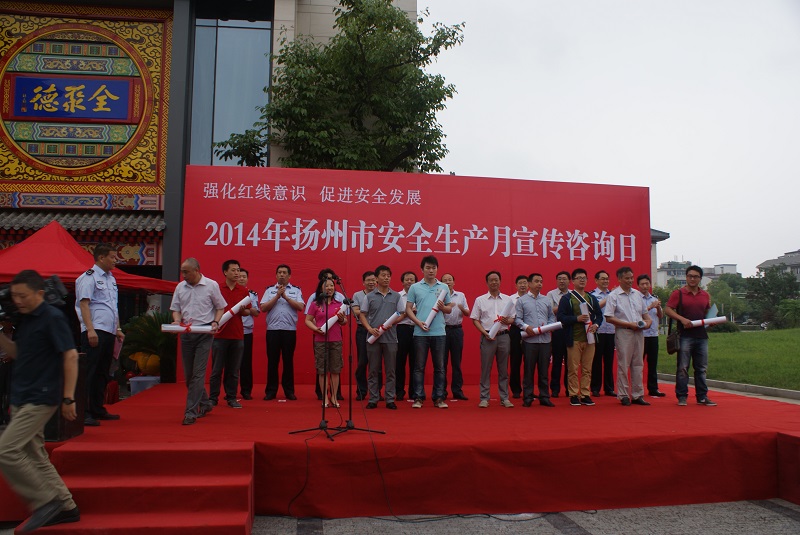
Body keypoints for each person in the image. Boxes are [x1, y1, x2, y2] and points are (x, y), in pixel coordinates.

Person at [0, 270, 80, 531]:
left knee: (6, 450)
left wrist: (69, 398)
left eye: (23, 296)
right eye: (14, 296)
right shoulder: (24, 319)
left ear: (40, 293)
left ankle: (45, 501)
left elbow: (70, 356)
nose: (18, 301)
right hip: (22, 395)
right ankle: (66, 506)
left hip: (41, 396)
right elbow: (18, 353)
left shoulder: (52, 317)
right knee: (35, 454)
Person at [170, 258, 226, 425]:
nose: (183, 275)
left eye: (186, 272)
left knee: (198, 374)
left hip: (204, 333)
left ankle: (190, 413)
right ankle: (206, 403)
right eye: (182, 272)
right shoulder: (180, 287)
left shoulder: (211, 285)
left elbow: (220, 307)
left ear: (196, 271)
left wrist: (216, 321)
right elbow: (176, 309)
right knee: (189, 376)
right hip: (186, 334)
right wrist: (176, 321)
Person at [74, 243, 124, 427]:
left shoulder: (111, 278)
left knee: (103, 371)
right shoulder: (88, 277)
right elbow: (84, 304)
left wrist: (117, 328)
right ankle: (84, 411)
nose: (115, 260)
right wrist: (90, 329)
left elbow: (112, 306)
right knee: (90, 371)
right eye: (112, 257)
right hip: (95, 329)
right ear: (101, 258)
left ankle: (97, 408)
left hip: (109, 330)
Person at [665, 265, 717, 407]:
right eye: (690, 276)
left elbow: (706, 313)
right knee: (683, 367)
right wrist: (681, 319)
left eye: (695, 277)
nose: (692, 279)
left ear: (700, 278)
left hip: (701, 336)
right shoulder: (678, 293)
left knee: (701, 368)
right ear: (686, 277)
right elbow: (668, 309)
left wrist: (711, 321)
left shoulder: (705, 295)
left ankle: (702, 396)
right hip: (685, 335)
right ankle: (682, 396)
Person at [405, 255, 452, 409]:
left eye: (433, 268)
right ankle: (418, 397)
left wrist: (443, 307)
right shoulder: (415, 287)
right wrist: (418, 322)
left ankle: (438, 397)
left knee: (440, 367)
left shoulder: (443, 287)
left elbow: (449, 309)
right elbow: (408, 309)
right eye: (428, 268)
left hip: (439, 332)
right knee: (419, 367)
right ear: (422, 269)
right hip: (420, 332)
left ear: (437, 269)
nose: (431, 270)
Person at [604, 266, 652, 406]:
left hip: (639, 332)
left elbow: (645, 315)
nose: (630, 280)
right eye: (627, 278)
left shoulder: (637, 294)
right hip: (624, 331)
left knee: (638, 364)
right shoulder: (613, 296)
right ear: (619, 279)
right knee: (623, 364)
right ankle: (623, 395)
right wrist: (629, 324)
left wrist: (648, 323)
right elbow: (609, 317)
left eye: (631, 277)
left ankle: (637, 395)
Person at [359, 265, 405, 409]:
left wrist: (393, 322)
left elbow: (402, 313)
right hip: (374, 337)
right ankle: (373, 398)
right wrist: (369, 328)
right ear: (377, 278)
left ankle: (390, 399)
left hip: (391, 338)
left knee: (391, 370)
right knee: (373, 369)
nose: (386, 278)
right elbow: (362, 314)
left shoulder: (396, 296)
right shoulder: (369, 296)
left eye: (388, 276)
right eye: (383, 275)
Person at [209, 260, 252, 409]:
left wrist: (243, 310)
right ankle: (213, 398)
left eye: (238, 270)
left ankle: (231, 397)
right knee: (216, 369)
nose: (237, 273)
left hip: (237, 335)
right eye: (233, 270)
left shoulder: (243, 291)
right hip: (219, 335)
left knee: (233, 370)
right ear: (225, 272)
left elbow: (248, 311)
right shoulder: (217, 289)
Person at [557, 268, 602, 407]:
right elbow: (561, 317)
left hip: (590, 338)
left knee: (587, 368)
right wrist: (576, 318)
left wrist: (596, 325)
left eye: (584, 278)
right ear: (573, 281)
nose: (582, 280)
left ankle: (585, 394)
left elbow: (599, 315)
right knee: (573, 369)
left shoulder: (591, 298)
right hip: (574, 338)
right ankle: (573, 394)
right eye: (579, 278)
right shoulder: (567, 298)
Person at [471, 271, 515, 408]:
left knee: (503, 369)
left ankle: (504, 398)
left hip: (503, 336)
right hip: (487, 336)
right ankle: (484, 398)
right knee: (486, 368)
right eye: (491, 280)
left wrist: (508, 320)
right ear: (487, 282)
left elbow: (513, 318)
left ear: (500, 281)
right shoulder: (480, 300)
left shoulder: (508, 300)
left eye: (496, 280)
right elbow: (475, 319)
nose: (494, 282)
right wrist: (484, 332)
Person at [260, 264, 304, 401]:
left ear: (289, 276)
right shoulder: (269, 290)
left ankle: (289, 391)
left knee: (288, 361)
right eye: (279, 272)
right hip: (273, 330)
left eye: (284, 272)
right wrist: (277, 296)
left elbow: (300, 307)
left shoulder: (296, 290)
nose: (282, 275)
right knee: (272, 362)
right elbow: (263, 308)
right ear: (276, 275)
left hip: (289, 331)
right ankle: (271, 391)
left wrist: (285, 297)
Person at [515, 272, 556, 407]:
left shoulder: (546, 300)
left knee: (544, 371)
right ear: (529, 283)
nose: (539, 284)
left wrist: (549, 325)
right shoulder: (522, 300)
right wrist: (526, 327)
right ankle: (528, 397)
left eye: (541, 281)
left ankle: (544, 396)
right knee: (529, 370)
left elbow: (551, 316)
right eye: (536, 281)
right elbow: (517, 319)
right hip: (529, 341)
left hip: (545, 340)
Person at [304, 278, 347, 408]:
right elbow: (308, 320)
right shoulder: (316, 304)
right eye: (326, 286)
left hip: (336, 340)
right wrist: (315, 328)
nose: (329, 288)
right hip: (320, 340)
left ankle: (334, 396)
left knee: (335, 369)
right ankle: (324, 398)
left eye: (331, 286)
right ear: (321, 289)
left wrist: (342, 319)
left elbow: (344, 322)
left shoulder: (339, 304)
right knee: (322, 370)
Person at [441, 273, 469, 400]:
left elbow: (467, 313)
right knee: (442, 363)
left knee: (456, 362)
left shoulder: (461, 295)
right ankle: (442, 391)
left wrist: (462, 308)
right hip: (443, 330)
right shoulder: (439, 295)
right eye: (445, 280)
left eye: (450, 280)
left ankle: (457, 390)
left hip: (457, 330)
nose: (448, 282)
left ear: (454, 282)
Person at [637, 274, 665, 397]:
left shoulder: (654, 298)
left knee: (653, 363)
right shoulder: (636, 299)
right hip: (641, 335)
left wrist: (658, 307)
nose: (645, 286)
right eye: (642, 284)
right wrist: (649, 307)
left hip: (653, 334)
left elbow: (661, 316)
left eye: (647, 284)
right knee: (638, 364)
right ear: (638, 286)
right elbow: (636, 315)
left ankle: (653, 388)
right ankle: (637, 388)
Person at [351, 270, 377, 401]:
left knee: (376, 362)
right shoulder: (357, 295)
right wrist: (368, 310)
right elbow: (355, 311)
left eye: (373, 280)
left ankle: (376, 391)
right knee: (362, 361)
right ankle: (361, 391)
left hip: (377, 331)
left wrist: (363, 311)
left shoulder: (380, 294)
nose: (371, 282)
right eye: (368, 280)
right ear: (363, 282)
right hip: (362, 330)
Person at [590, 270, 617, 397]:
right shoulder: (592, 295)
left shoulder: (614, 295)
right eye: (603, 279)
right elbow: (593, 309)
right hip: (598, 331)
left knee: (609, 361)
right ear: (596, 280)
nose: (606, 281)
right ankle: (595, 388)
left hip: (611, 331)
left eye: (607, 279)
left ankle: (609, 388)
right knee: (596, 361)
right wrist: (609, 298)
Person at [547, 271, 571, 397]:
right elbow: (550, 311)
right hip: (557, 330)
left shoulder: (573, 294)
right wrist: (565, 306)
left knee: (570, 362)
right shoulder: (551, 294)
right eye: (559, 279)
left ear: (569, 281)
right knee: (556, 361)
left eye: (564, 279)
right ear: (556, 281)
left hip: (571, 330)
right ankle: (555, 389)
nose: (562, 281)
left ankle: (569, 388)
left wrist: (561, 308)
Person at [395, 271, 418, 401]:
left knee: (415, 363)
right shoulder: (397, 296)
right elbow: (394, 315)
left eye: (412, 280)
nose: (409, 282)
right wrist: (408, 312)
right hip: (402, 329)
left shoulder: (420, 295)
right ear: (402, 282)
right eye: (407, 279)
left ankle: (414, 391)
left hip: (416, 330)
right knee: (399, 361)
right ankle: (399, 391)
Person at [237, 268, 260, 400]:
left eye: (244, 276)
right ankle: (230, 390)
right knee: (231, 363)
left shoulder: (252, 295)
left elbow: (256, 313)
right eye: (239, 276)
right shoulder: (229, 293)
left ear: (247, 279)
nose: (241, 278)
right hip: (232, 331)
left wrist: (246, 308)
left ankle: (246, 390)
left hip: (246, 331)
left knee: (246, 362)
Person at [508, 275, 529, 399]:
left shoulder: (532, 298)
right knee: (515, 360)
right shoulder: (510, 299)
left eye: (525, 283)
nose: (523, 285)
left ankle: (528, 389)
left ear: (528, 285)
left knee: (529, 361)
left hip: (530, 330)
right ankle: (516, 389)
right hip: (515, 330)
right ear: (516, 285)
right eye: (520, 283)